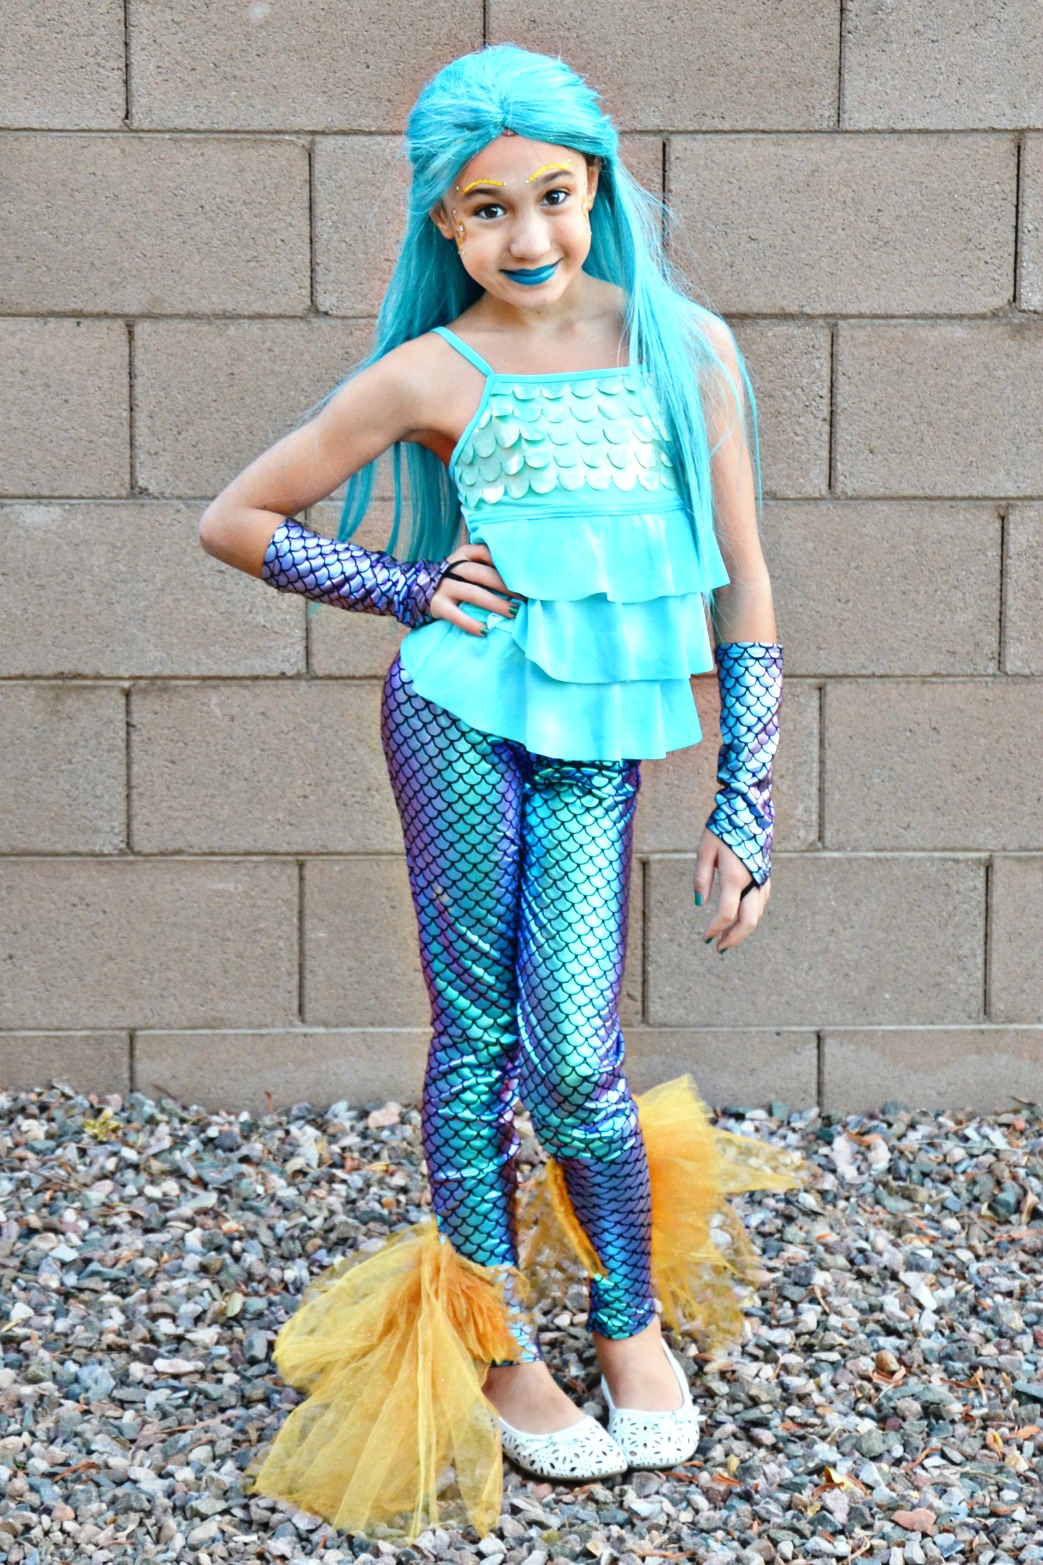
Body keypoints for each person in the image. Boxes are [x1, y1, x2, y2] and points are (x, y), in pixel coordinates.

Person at [200, 42, 799, 1544]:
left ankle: (628, 1318)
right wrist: (408, 588)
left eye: (553, 196)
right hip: (456, 720)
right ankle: (496, 1342)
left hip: (597, 741)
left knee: (578, 1055)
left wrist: (744, 805)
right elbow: (239, 518)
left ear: (599, 187)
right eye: (486, 209)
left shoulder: (684, 351)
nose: (528, 236)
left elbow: (745, 587)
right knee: (475, 1040)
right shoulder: (431, 370)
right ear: (443, 223)